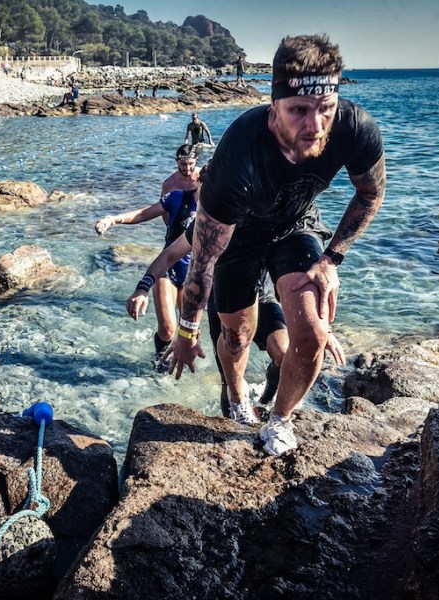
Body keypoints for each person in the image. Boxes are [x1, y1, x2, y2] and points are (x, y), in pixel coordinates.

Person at [165, 34, 386, 456]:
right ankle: (235, 394)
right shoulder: (237, 158)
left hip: (295, 224)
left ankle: (280, 420)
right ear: (274, 106)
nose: (315, 125)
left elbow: (371, 193)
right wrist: (187, 332)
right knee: (236, 336)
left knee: (313, 333)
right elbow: (203, 260)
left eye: (325, 109)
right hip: (239, 237)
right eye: (299, 110)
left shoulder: (354, 129)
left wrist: (333, 257)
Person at [127, 220, 346, 422]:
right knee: (231, 380)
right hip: (225, 302)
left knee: (284, 351)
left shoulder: (285, 214)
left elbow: (301, 281)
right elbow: (170, 255)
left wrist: (322, 327)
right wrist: (143, 287)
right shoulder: (216, 214)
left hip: (264, 298)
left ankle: (266, 403)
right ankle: (237, 420)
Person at [96, 145, 202, 369]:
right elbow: (145, 213)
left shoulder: (219, 209)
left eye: (191, 164)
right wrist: (114, 219)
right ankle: (159, 363)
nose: (187, 168)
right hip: (169, 266)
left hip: (196, 274)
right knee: (168, 329)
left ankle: (183, 370)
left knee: (190, 333)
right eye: (183, 163)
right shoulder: (174, 193)